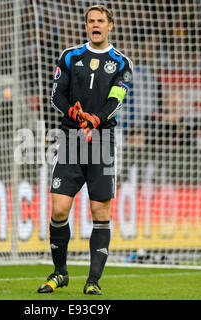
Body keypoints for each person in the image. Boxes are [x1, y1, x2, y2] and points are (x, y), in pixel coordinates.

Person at [37, 5, 133, 295]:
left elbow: (117, 98)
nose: (95, 25)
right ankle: (60, 273)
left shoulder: (121, 62)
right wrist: (77, 115)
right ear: (86, 25)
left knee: (100, 211)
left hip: (102, 141)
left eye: (100, 21)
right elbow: (57, 95)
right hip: (71, 140)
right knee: (58, 207)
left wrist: (96, 118)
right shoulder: (70, 56)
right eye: (91, 20)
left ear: (110, 26)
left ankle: (93, 281)